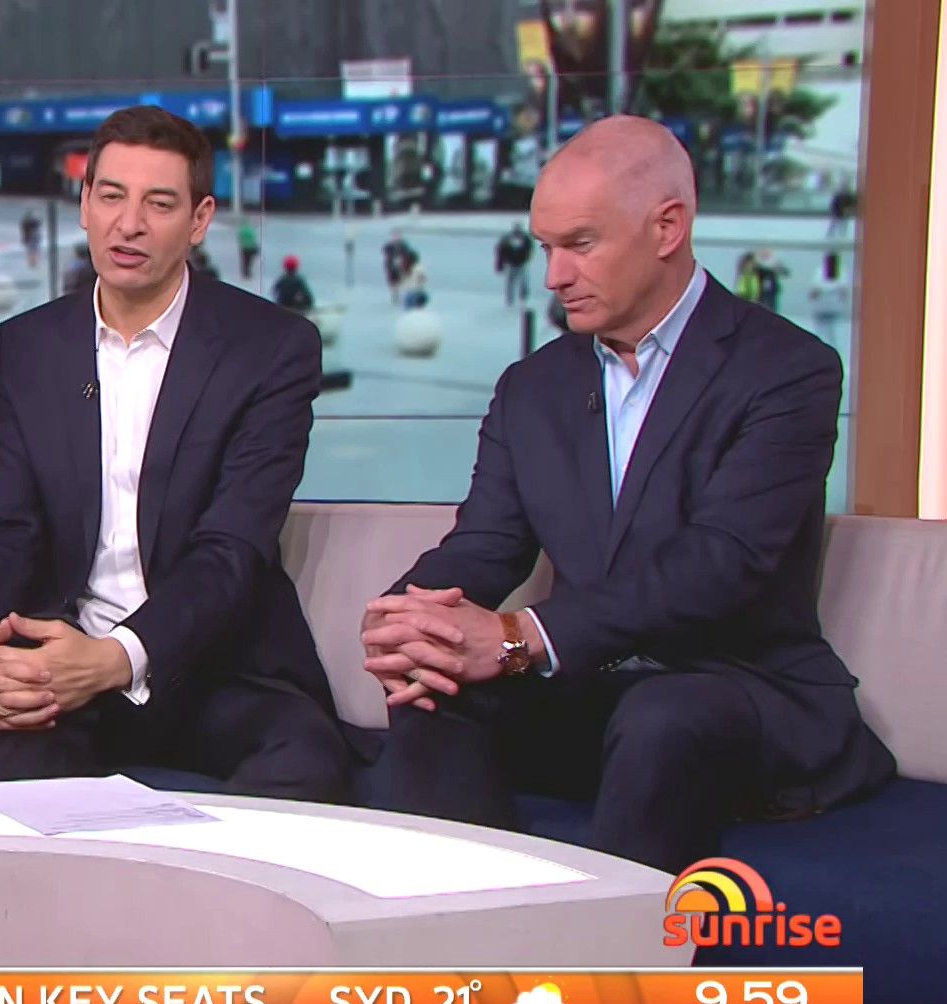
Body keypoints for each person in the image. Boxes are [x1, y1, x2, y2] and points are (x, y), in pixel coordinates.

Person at [362, 117, 894, 872]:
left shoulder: (786, 370)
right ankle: (475, 915)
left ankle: (612, 942)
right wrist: (408, 618)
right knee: (431, 691)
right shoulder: (533, 387)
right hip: (593, 691)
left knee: (663, 715)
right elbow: (484, 544)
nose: (554, 277)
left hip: (738, 689)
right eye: (546, 248)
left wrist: (519, 636)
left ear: (667, 228)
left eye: (580, 245)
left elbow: (721, 562)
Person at [0, 106, 366, 800]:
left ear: (199, 220)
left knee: (305, 764)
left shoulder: (269, 349)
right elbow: (1, 527)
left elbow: (231, 547)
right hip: (62, 664)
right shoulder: (26, 348)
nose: (129, 224)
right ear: (85, 204)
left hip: (218, 667)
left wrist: (116, 658)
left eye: (159, 204)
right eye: (111, 196)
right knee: (1, 783)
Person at [807, 251, 850, 348]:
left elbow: (814, 291)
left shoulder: (821, 272)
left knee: (827, 331)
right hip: (827, 306)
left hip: (828, 306)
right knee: (830, 331)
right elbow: (844, 292)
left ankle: (824, 347)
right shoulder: (840, 272)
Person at [495, 221, 533, 307]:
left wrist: (525, 258)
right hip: (512, 263)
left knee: (522, 282)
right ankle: (511, 299)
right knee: (511, 282)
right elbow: (501, 250)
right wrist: (500, 263)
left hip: (520, 263)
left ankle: (522, 298)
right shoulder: (508, 238)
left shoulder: (525, 238)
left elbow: (529, 249)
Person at [382, 230, 416, 304]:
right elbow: (386, 253)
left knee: (401, 282)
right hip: (391, 267)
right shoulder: (389, 246)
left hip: (401, 267)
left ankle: (401, 296)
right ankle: (395, 296)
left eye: (397, 236)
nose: (396, 237)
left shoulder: (404, 246)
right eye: (394, 236)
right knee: (393, 282)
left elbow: (409, 255)